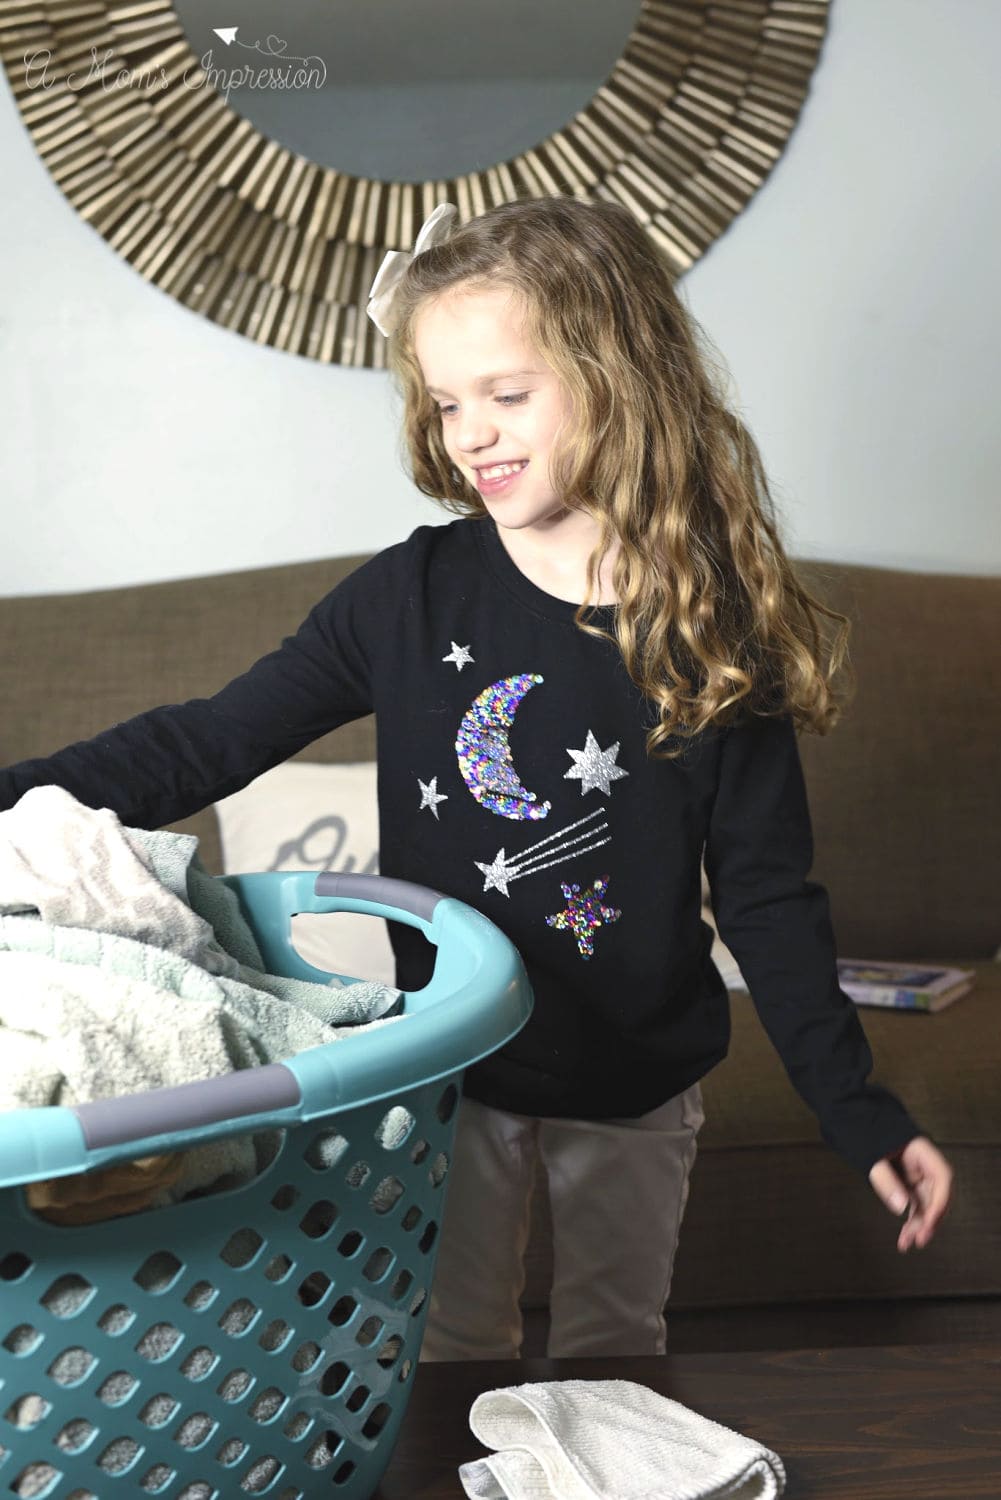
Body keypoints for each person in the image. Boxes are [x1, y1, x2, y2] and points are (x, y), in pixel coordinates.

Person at [0, 194, 953, 1360]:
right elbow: (207, 741)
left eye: (508, 395)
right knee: (449, 1348)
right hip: (453, 1068)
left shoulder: (709, 622)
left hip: (640, 1080)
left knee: (614, 1347)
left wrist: (857, 1110)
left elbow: (766, 899)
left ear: (618, 378)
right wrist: (18, 793)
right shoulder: (407, 595)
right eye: (448, 403)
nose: (472, 434)